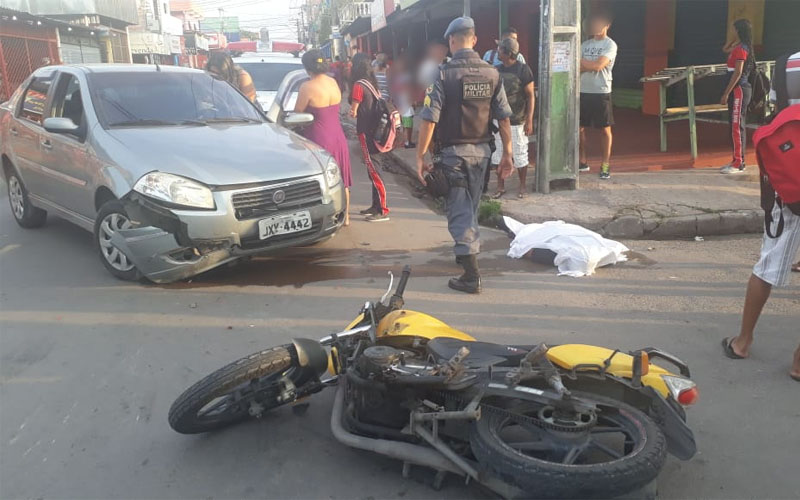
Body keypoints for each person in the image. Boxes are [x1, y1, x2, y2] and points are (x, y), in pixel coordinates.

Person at [416, 16, 513, 294]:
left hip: (453, 155)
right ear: (475, 40)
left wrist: (420, 155)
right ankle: (464, 254)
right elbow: (504, 119)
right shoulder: (492, 74)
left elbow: (429, 119)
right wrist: (507, 154)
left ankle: (471, 276)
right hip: (482, 153)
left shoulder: (443, 74)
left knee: (459, 210)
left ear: (451, 41)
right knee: (470, 206)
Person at [721, 47, 800, 381]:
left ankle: (743, 341)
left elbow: (774, 114)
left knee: (768, 266)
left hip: (791, 186)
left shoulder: (788, 62)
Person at [295, 49, 353, 226]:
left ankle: (322, 219)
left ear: (307, 68)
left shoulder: (307, 87)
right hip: (337, 135)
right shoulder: (333, 82)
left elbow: (298, 113)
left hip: (317, 138)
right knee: (342, 178)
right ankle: (347, 216)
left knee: (320, 180)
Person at [490, 37, 535, 199]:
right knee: (498, 154)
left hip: (518, 121)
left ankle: (522, 186)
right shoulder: (495, 69)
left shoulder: (523, 70)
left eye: (500, 49)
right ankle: (500, 186)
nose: (497, 51)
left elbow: (530, 96)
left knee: (520, 154)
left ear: (508, 53)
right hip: (498, 120)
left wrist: (529, 119)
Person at [350, 52, 390, 222]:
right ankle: (375, 206)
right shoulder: (372, 83)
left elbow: (353, 111)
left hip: (366, 132)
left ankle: (382, 209)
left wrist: (350, 112)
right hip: (375, 131)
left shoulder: (358, 86)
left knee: (374, 170)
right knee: (373, 168)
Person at [579, 12, 617, 179]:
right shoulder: (584, 44)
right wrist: (591, 65)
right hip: (582, 91)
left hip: (601, 92)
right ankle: (582, 161)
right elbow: (576, 65)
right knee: (579, 128)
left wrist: (586, 64)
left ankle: (605, 164)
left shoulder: (610, 45)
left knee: (605, 129)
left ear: (607, 25)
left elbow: (598, 66)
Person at [719, 19, 755, 175]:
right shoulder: (738, 46)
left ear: (739, 30)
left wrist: (726, 93)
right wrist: (735, 38)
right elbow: (725, 49)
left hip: (739, 89)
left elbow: (738, 73)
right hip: (737, 90)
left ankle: (739, 163)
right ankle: (737, 159)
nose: (731, 31)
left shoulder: (742, 49)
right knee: (735, 125)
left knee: (736, 126)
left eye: (733, 29)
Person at [391, 55, 416, 149]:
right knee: (408, 124)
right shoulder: (407, 76)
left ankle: (404, 141)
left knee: (402, 124)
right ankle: (407, 142)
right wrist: (412, 101)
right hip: (406, 102)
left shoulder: (395, 77)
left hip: (398, 102)